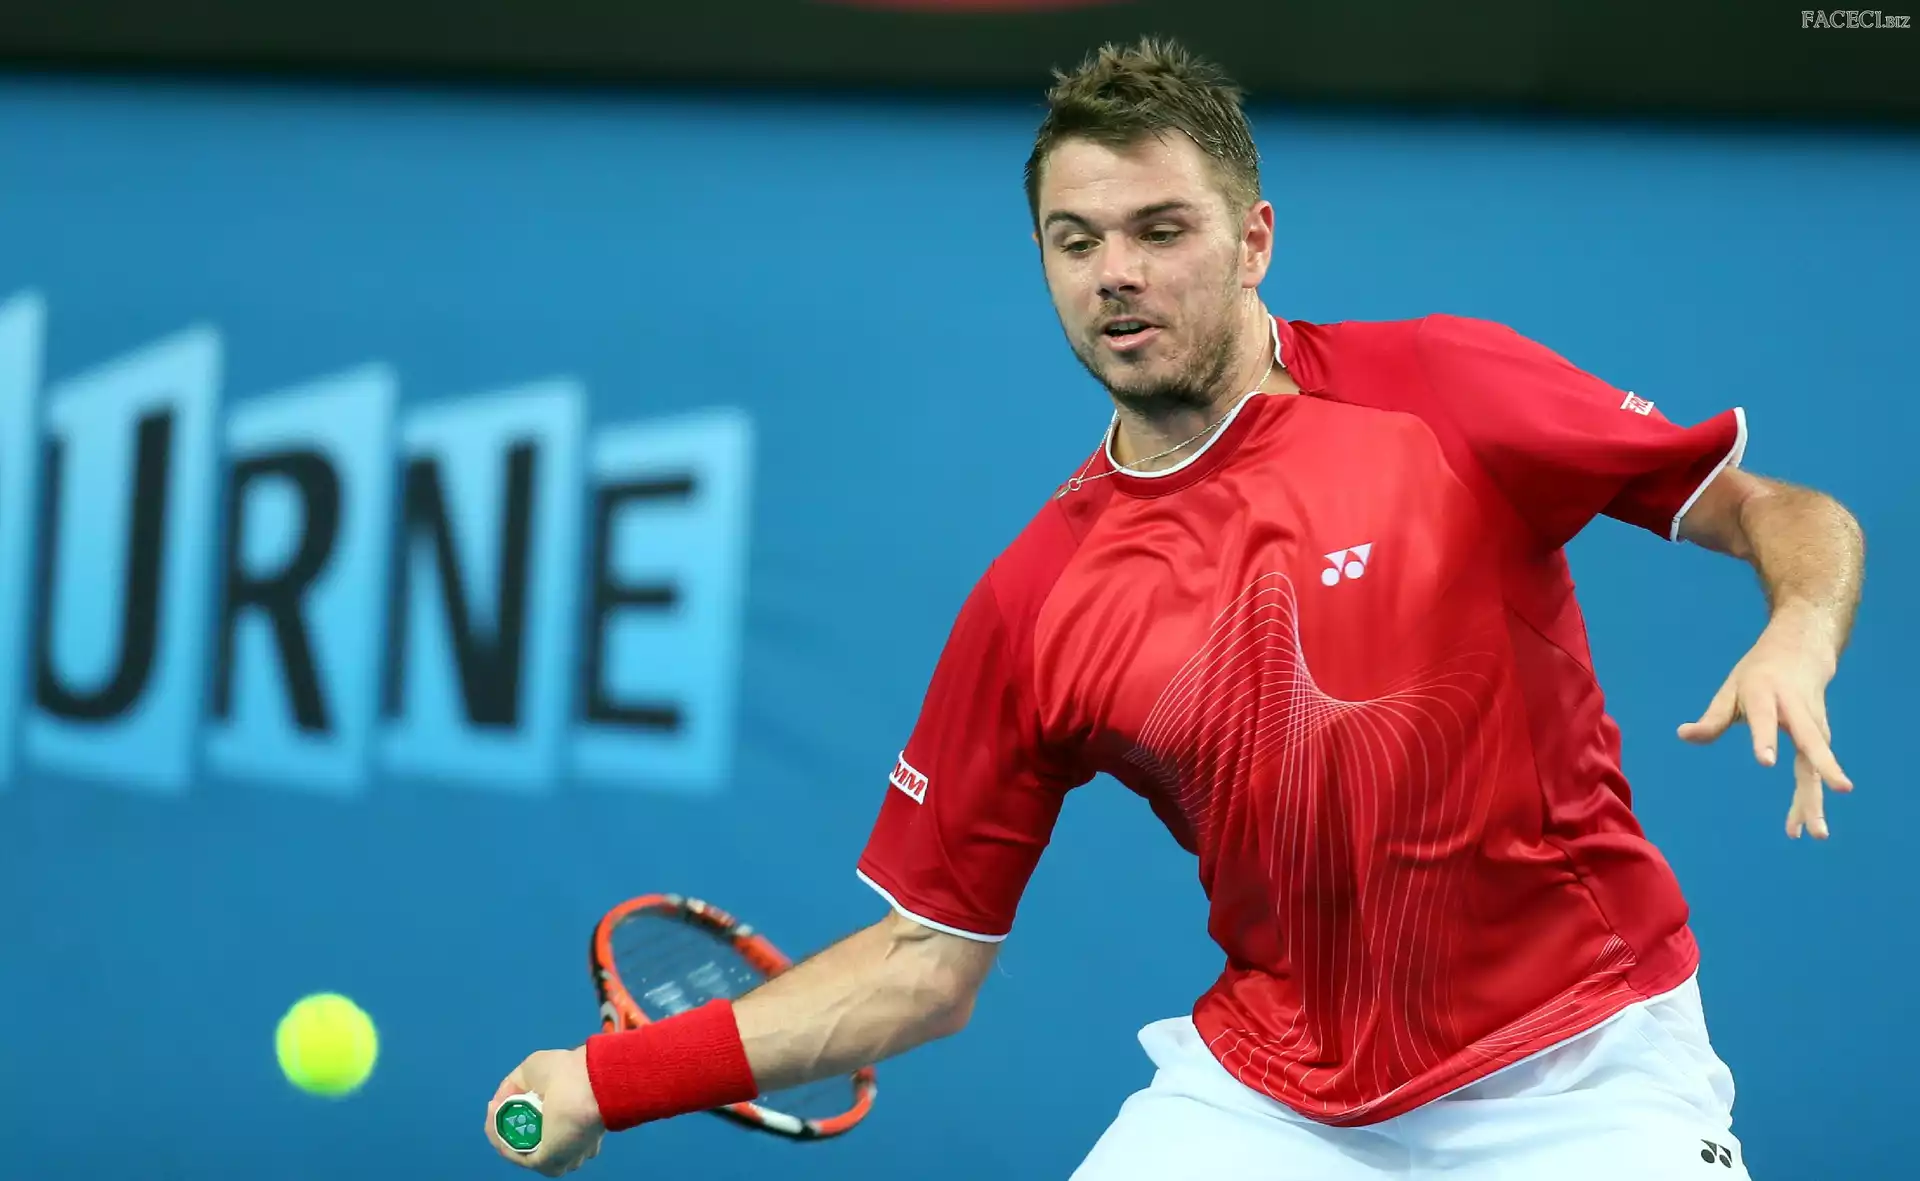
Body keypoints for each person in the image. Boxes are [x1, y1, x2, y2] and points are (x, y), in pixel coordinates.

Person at [484, 36, 1865, 1179]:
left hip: (1584, 1068)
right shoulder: (1038, 598)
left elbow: (1783, 510)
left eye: (1161, 231)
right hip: (1273, 1101)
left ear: (1253, 239)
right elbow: (922, 967)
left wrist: (1797, 630)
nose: (1117, 274)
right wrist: (607, 1081)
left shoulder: (1443, 391)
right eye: (1075, 240)